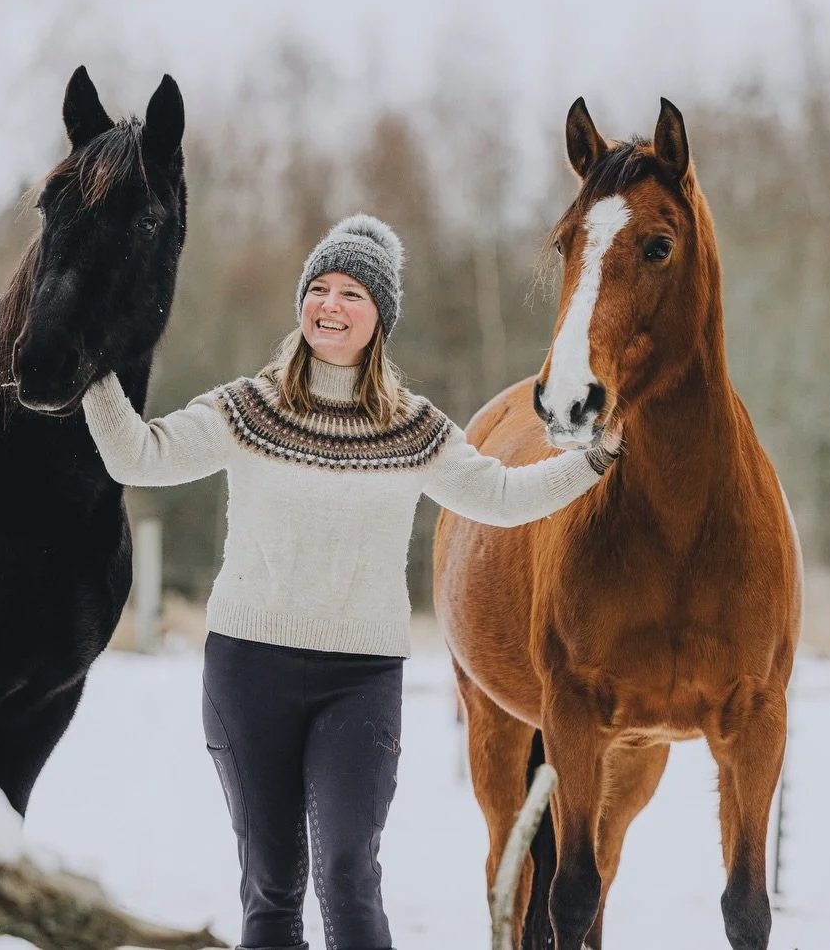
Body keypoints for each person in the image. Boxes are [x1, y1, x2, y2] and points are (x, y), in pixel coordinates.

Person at [82, 214, 621, 950]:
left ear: (380, 318)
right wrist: (90, 365)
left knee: (347, 871)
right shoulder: (248, 408)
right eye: (320, 289)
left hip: (359, 681)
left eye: (352, 294)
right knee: (271, 886)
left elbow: (499, 495)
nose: (330, 306)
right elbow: (138, 457)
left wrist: (597, 459)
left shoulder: (412, 428)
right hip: (249, 672)